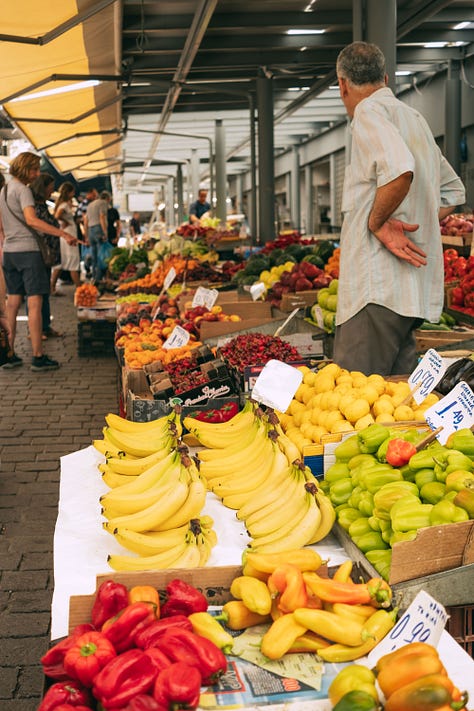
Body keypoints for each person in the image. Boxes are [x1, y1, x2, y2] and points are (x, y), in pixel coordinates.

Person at [333, 41, 465, 376]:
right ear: (386, 78)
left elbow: (400, 169)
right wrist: (413, 220)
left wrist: (380, 224)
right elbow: (451, 193)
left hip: (375, 295)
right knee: (394, 401)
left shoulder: (368, 113)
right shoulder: (414, 119)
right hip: (409, 297)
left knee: (353, 398)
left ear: (343, 84)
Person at [0, 151, 77, 371]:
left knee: (12, 304)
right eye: (33, 169)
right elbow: (32, 220)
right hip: (28, 252)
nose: (36, 174)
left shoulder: (3, 191)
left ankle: (10, 354)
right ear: (24, 168)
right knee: (35, 304)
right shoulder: (23, 190)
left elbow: (2, 226)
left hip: (10, 254)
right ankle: (37, 355)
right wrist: (63, 234)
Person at [29, 173, 63, 338]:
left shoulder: (41, 205)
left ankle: (45, 326)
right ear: (42, 187)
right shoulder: (34, 207)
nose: (52, 190)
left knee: (44, 290)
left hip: (46, 256)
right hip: (38, 254)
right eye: (50, 187)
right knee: (37, 293)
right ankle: (37, 330)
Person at [51, 181, 81, 294]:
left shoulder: (63, 203)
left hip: (65, 234)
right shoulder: (63, 205)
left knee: (62, 262)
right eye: (72, 192)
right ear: (68, 192)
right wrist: (65, 222)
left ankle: (52, 287)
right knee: (73, 260)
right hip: (68, 235)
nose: (73, 194)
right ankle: (80, 289)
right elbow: (57, 216)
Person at [83, 188, 108, 284]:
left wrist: (86, 235)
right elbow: (102, 217)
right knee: (101, 255)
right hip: (98, 228)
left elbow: (85, 221)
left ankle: (94, 277)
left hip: (90, 230)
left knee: (94, 256)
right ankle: (99, 278)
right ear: (107, 199)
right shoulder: (103, 203)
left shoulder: (90, 205)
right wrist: (105, 232)